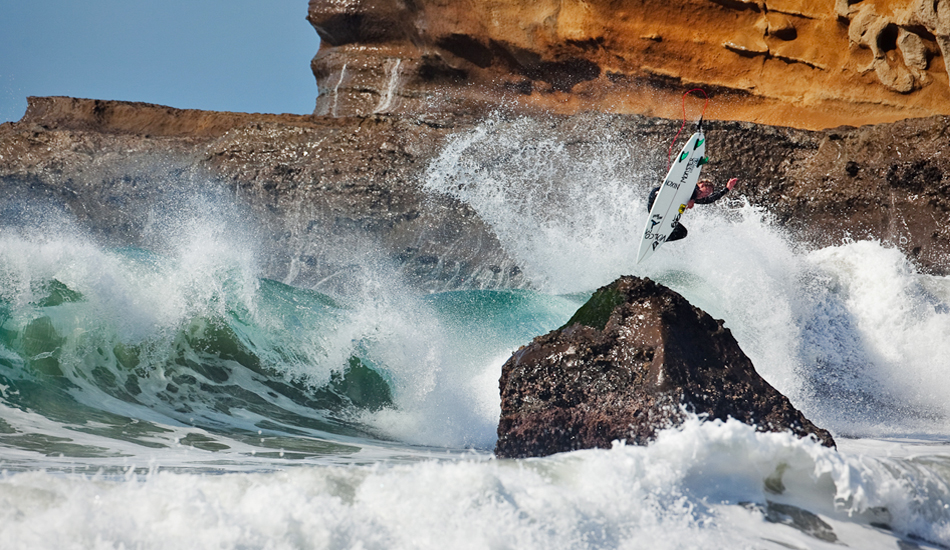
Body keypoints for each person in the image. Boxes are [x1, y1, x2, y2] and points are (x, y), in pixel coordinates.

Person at [646, 177, 738, 242]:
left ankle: (658, 239)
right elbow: (692, 190)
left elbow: (709, 200)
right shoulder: (690, 186)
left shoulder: (695, 198)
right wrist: (692, 199)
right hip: (657, 197)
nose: (704, 195)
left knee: (682, 233)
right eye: (705, 192)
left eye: (707, 194)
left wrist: (727, 189)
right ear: (701, 185)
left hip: (663, 211)